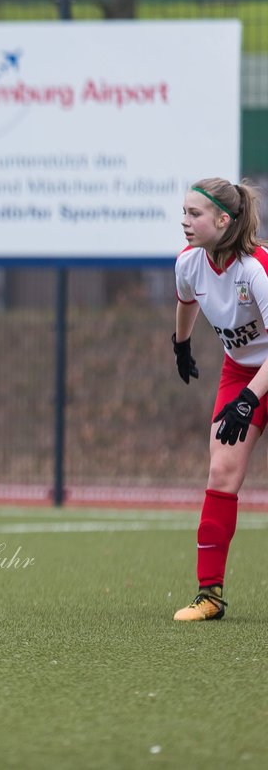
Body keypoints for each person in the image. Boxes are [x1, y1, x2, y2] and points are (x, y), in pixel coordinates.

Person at [171, 178, 265, 622]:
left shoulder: (256, 269)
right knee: (221, 471)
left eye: (195, 214)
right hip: (241, 373)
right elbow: (186, 300)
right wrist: (181, 343)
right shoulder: (189, 263)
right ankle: (209, 595)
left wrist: (249, 399)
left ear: (223, 221)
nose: (185, 221)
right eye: (184, 212)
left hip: (256, 379)